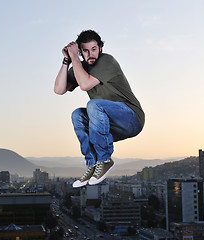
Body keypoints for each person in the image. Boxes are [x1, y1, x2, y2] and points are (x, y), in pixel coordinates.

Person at [54, 30, 145, 188]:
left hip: (132, 118)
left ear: (100, 48)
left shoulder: (107, 61)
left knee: (93, 104)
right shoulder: (80, 67)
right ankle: (93, 163)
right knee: (77, 115)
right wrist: (66, 60)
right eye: (86, 51)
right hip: (108, 124)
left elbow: (85, 84)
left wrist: (75, 57)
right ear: (81, 52)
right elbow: (59, 89)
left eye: (94, 49)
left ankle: (104, 160)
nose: (91, 54)